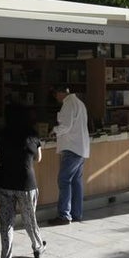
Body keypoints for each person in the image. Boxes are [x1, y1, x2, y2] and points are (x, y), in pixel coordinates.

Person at [0, 103, 45, 258]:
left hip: (5, 183)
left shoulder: (1, 135)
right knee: (29, 219)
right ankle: (37, 247)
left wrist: (2, 159)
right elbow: (38, 158)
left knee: (6, 222)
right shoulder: (32, 134)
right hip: (27, 184)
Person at [49, 86, 90, 226]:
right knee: (76, 182)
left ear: (61, 92)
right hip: (80, 148)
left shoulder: (68, 104)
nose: (56, 99)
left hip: (71, 148)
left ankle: (64, 215)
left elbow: (65, 126)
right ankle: (77, 213)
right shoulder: (79, 103)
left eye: (55, 95)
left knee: (64, 180)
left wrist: (54, 131)